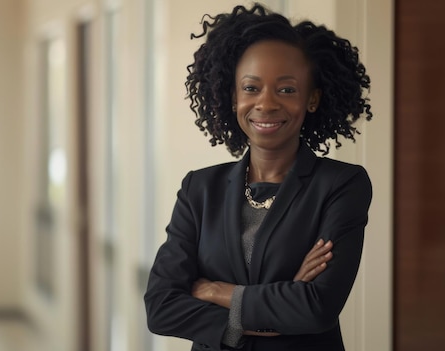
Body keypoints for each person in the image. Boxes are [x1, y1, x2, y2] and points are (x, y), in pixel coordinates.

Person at [144, 3, 373, 351]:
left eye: (286, 89)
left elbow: (314, 308)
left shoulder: (341, 185)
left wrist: (213, 290)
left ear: (312, 99)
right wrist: (266, 313)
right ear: (233, 95)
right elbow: (161, 307)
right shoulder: (200, 189)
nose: (266, 104)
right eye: (251, 88)